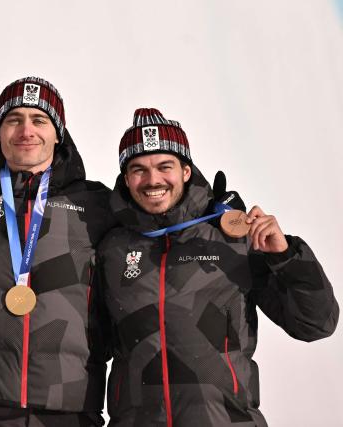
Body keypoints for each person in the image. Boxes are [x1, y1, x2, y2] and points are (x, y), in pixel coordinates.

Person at [96, 108, 339, 426]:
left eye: (164, 166)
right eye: (138, 169)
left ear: (185, 170)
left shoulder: (233, 239)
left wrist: (286, 256)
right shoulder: (111, 249)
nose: (153, 180)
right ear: (126, 179)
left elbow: (316, 325)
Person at [0, 77, 115, 426]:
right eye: (13, 119)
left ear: (57, 134)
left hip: (71, 407)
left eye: (39, 120)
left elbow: (156, 233)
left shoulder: (95, 204)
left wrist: (222, 219)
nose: (26, 130)